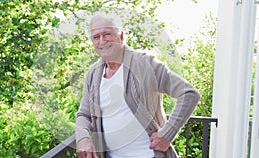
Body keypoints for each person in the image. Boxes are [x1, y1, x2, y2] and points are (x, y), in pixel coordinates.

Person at [75, 13, 200, 158]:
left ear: (121, 36)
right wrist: (83, 139)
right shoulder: (93, 74)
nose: (102, 41)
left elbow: (189, 94)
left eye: (107, 34)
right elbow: (84, 114)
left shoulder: (146, 64)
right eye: (96, 37)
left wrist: (167, 134)